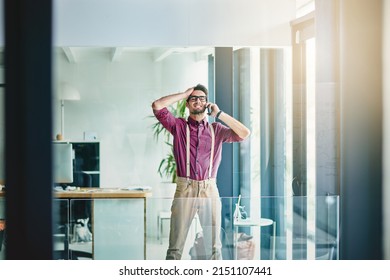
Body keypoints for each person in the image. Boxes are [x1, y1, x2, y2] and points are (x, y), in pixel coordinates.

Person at [152, 84, 250, 260]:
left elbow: (244, 133)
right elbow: (157, 106)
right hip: (185, 188)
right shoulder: (178, 126)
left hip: (209, 189)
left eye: (202, 98)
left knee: (214, 248)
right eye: (193, 98)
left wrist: (219, 114)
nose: (198, 101)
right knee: (175, 248)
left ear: (207, 104)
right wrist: (183, 94)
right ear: (188, 104)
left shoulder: (217, 130)